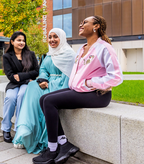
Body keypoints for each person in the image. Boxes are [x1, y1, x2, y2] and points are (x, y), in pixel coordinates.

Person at [32, 15, 123, 164]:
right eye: (81, 22)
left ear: (96, 26)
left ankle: (53, 148)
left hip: (97, 94)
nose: (81, 25)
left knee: (49, 101)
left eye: (85, 22)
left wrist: (90, 83)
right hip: (81, 90)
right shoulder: (82, 49)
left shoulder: (104, 48)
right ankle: (64, 144)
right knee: (44, 99)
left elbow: (116, 76)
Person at [12, 28, 76, 154]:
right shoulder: (49, 54)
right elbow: (43, 70)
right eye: (50, 37)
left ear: (62, 38)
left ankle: (44, 140)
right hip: (45, 84)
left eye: (55, 37)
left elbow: (68, 78)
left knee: (46, 100)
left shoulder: (70, 55)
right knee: (31, 87)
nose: (52, 40)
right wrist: (42, 79)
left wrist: (49, 84)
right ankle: (27, 130)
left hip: (60, 87)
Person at [1, 31, 39, 143]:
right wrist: (26, 77)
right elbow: (10, 75)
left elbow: (36, 71)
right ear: (12, 42)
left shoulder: (30, 54)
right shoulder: (7, 56)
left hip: (27, 83)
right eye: (19, 40)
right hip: (13, 84)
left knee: (22, 95)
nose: (21, 42)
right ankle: (6, 129)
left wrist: (22, 76)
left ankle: (19, 128)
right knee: (10, 98)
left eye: (23, 40)